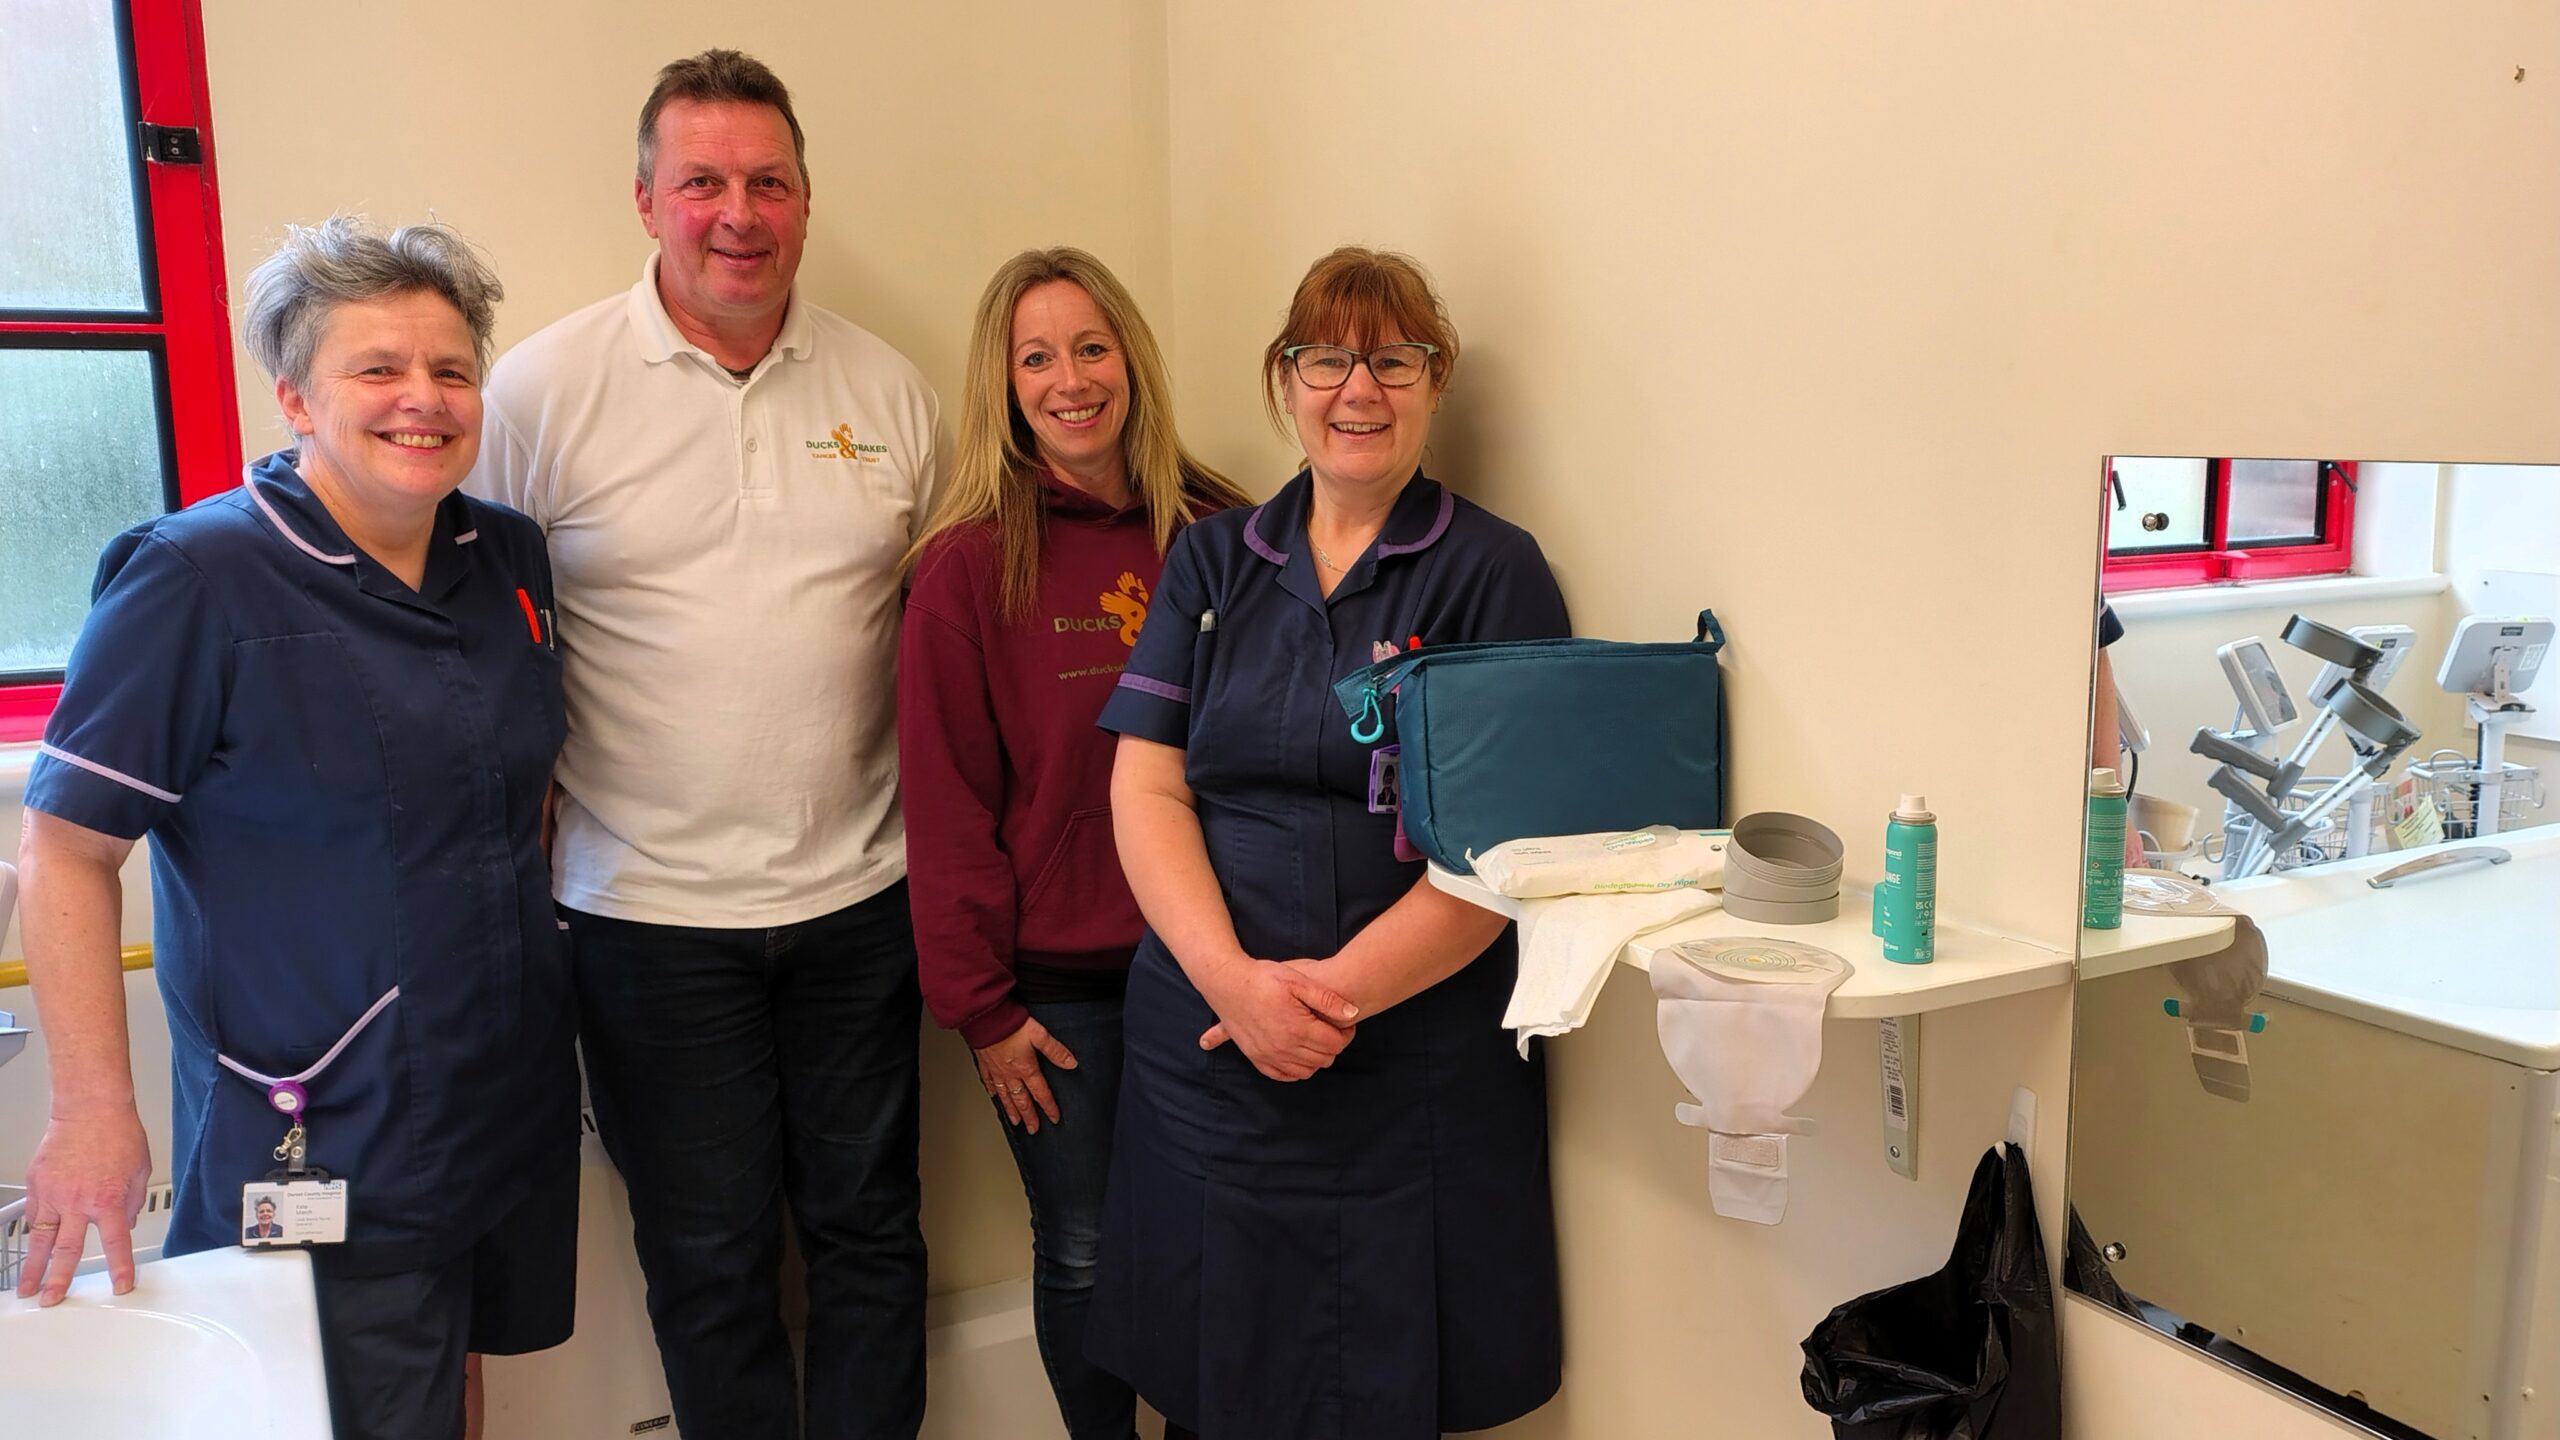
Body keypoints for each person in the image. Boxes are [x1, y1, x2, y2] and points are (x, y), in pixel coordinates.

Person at [14, 216, 577, 1440]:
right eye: (377, 370)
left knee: (452, 1369)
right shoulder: (193, 577)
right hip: (321, 1120)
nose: (421, 400)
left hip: (500, 1084)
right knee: (344, 1402)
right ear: (293, 396)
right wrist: (92, 1113)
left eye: (450, 369)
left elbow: (520, 795)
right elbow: (66, 849)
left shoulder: (510, 559)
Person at [467, 50, 939, 1440]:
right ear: (646, 200)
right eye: (704, 184)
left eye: (769, 183)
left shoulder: (890, 390)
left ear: (806, 200)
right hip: (648, 922)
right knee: (710, 1261)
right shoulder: (543, 395)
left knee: (870, 1238)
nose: (740, 213)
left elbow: (939, 630)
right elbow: (475, 639)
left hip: (862, 900)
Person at [1090, 247, 1571, 1439]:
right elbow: (1146, 787)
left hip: (1409, 1057)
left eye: (1392, 360)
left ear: (1434, 379)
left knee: (1384, 1372)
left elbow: (1506, 852)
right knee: (1217, 1366)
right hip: (1206, 1040)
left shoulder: (1490, 573)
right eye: (1326, 359)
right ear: (1284, 380)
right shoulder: (1211, 562)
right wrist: (1233, 988)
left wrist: (1325, 1004)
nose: (1358, 389)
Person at [898, 248, 1251, 1440]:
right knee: (1089, 1251)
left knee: (1219, 1245)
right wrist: (981, 1011)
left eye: (1090, 347)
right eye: (1034, 357)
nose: (1068, 380)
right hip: (1058, 995)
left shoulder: (1229, 532)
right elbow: (943, 803)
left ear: (1131, 362)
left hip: (1217, 963)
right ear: (1002, 386)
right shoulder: (963, 569)